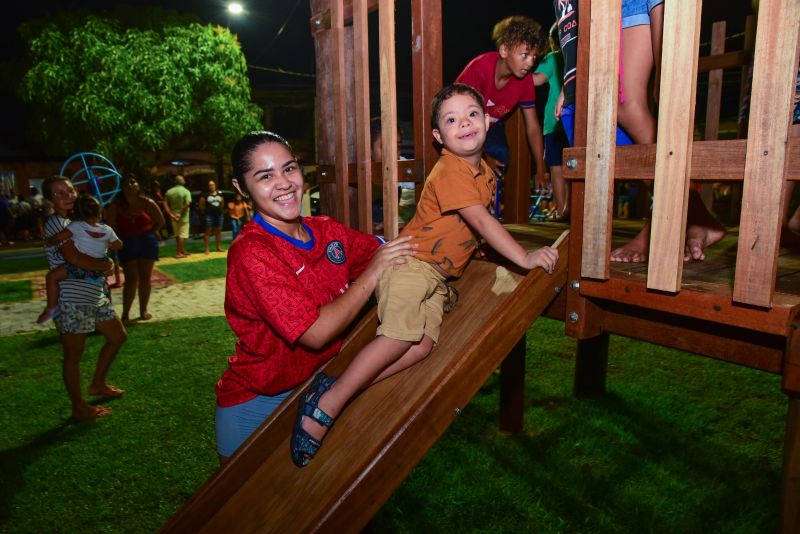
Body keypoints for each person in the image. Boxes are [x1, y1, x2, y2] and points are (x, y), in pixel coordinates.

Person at [290, 84, 559, 467]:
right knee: (399, 336)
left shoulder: (483, 171)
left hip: (434, 276)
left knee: (421, 347)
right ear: (439, 137)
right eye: (451, 120)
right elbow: (482, 220)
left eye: (471, 114)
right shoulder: (450, 170)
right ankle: (327, 406)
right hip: (410, 265)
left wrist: (472, 250)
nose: (463, 124)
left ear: (487, 120)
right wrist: (523, 256)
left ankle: (341, 387)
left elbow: (467, 226)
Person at [215, 130, 417, 461]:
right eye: (265, 176)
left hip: (321, 385)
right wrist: (371, 275)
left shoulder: (326, 231)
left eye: (289, 168)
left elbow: (385, 253)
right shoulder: (253, 252)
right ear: (241, 187)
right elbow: (316, 332)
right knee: (248, 511)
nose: (283, 183)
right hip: (259, 400)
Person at [553, 0, 724, 263]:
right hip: (597, 14)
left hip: (624, 6)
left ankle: (666, 219)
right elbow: (571, 20)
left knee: (637, 100)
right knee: (619, 105)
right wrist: (570, 77)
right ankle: (692, 213)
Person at [41, 175, 128, 420]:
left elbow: (107, 244)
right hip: (71, 296)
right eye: (59, 193)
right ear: (50, 199)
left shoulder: (80, 220)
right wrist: (104, 265)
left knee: (117, 336)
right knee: (74, 353)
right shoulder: (57, 224)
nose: (66, 196)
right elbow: (73, 258)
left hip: (94, 292)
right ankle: (78, 407)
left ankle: (97, 384)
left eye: (69, 191)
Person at [456, 15, 547, 191]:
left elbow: (533, 126)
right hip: (462, 123)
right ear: (504, 50)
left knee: (501, 157)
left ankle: (491, 205)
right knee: (468, 164)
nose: (530, 63)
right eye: (525, 55)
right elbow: (460, 117)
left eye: (534, 57)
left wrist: (541, 168)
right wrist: (482, 156)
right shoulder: (480, 68)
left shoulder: (525, 81)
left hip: (491, 126)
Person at [37, 194, 123, 323]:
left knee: (52, 277)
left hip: (80, 267)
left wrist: (48, 240)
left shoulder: (76, 225)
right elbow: (119, 244)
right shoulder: (107, 230)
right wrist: (109, 243)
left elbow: (59, 238)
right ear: (100, 213)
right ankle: (103, 316)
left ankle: (51, 307)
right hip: (99, 266)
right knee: (102, 288)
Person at [105, 174, 165, 323]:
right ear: (122, 187)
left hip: (147, 241)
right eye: (126, 183)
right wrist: (118, 241)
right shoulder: (116, 205)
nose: (130, 185)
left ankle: (143, 310)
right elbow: (111, 226)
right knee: (131, 279)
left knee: (145, 278)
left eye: (133, 182)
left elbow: (161, 221)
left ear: (138, 185)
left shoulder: (147, 202)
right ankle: (125, 313)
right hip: (127, 243)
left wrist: (149, 233)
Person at [532, 22, 570, 220]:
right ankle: (572, 208)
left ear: (553, 41)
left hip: (553, 122)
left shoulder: (554, 57)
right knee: (574, 165)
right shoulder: (575, 58)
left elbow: (536, 80)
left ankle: (561, 209)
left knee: (556, 166)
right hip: (574, 117)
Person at [164, 175, 192, 258]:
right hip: (183, 216)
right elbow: (187, 204)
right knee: (182, 235)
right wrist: (180, 214)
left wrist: (171, 214)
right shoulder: (186, 191)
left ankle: (182, 250)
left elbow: (165, 203)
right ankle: (178, 252)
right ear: (182, 181)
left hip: (173, 216)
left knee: (177, 235)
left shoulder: (169, 191)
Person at [199, 179, 224, 254]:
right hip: (208, 215)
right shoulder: (205, 194)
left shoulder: (220, 194)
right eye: (210, 185)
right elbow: (201, 205)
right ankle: (207, 249)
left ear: (215, 185)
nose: (212, 186)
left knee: (218, 231)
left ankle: (218, 247)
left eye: (213, 184)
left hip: (219, 215)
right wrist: (205, 211)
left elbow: (222, 203)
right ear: (208, 186)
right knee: (207, 231)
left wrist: (219, 209)